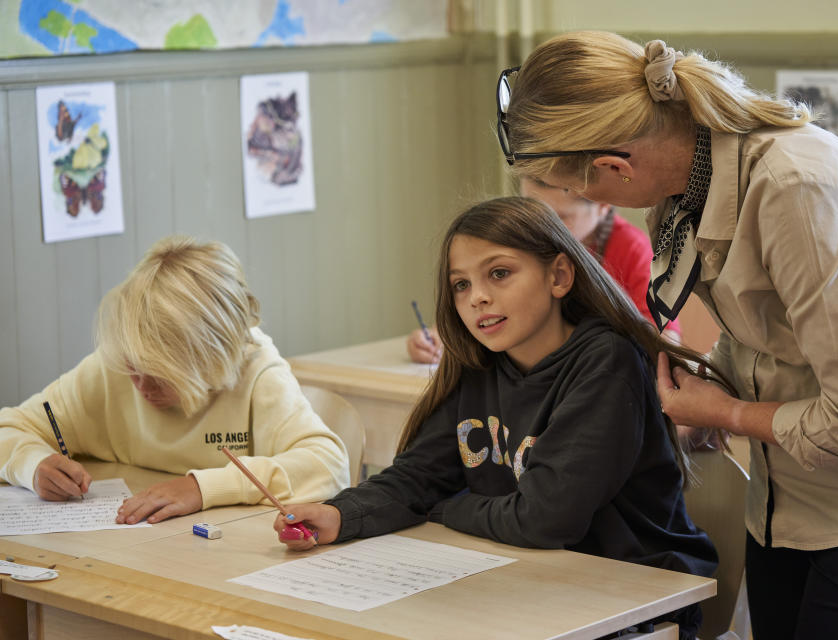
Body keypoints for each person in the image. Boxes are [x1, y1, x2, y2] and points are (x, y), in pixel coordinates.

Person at [495, 30, 838, 639]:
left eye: (585, 192)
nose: (589, 202)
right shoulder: (686, 184)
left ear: (616, 166)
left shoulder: (797, 190)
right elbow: (763, 330)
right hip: (788, 501)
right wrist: (705, 387)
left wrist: (728, 411)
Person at [275, 197, 720, 640]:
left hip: (633, 600)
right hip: (531, 585)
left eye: (499, 273)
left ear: (559, 276)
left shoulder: (606, 362)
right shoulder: (481, 363)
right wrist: (339, 514)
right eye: (461, 285)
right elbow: (418, 477)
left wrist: (448, 508)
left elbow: (544, 519)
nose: (478, 298)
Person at [0, 235, 350, 524]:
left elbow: (328, 465)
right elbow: (9, 428)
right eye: (132, 365)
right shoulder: (117, 363)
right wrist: (33, 465)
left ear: (215, 356)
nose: (139, 385)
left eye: (161, 374)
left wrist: (202, 488)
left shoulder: (256, 370)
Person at [406, 177, 681, 364]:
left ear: (602, 207)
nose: (541, 230)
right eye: (533, 212)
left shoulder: (631, 249)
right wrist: (439, 339)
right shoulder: (516, 247)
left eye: (560, 219)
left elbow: (664, 337)